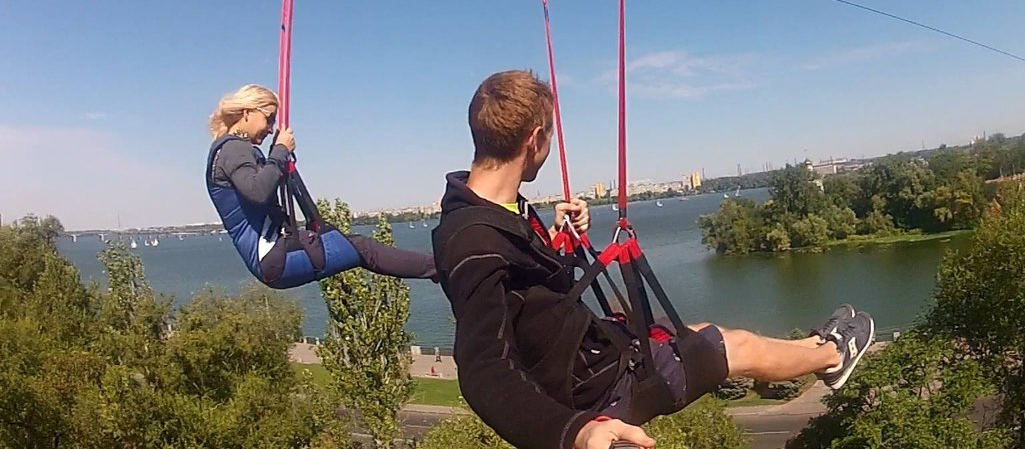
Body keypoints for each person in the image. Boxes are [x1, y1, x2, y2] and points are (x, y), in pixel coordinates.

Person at [433, 71, 874, 449]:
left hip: (596, 358)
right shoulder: (473, 243)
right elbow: (483, 368)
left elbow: (524, 288)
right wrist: (574, 433)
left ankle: (817, 348)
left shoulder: (487, 209)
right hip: (597, 393)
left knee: (699, 334)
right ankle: (834, 355)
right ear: (534, 140)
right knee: (731, 345)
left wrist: (552, 236)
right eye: (548, 135)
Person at [206, 84, 436, 288]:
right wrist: (280, 151)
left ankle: (437, 268)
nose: (270, 128)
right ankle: (440, 268)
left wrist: (277, 155)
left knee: (354, 245)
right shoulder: (233, 149)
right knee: (363, 248)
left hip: (272, 257)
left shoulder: (227, 150)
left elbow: (257, 192)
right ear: (247, 113)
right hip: (275, 259)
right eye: (269, 119)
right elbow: (257, 192)